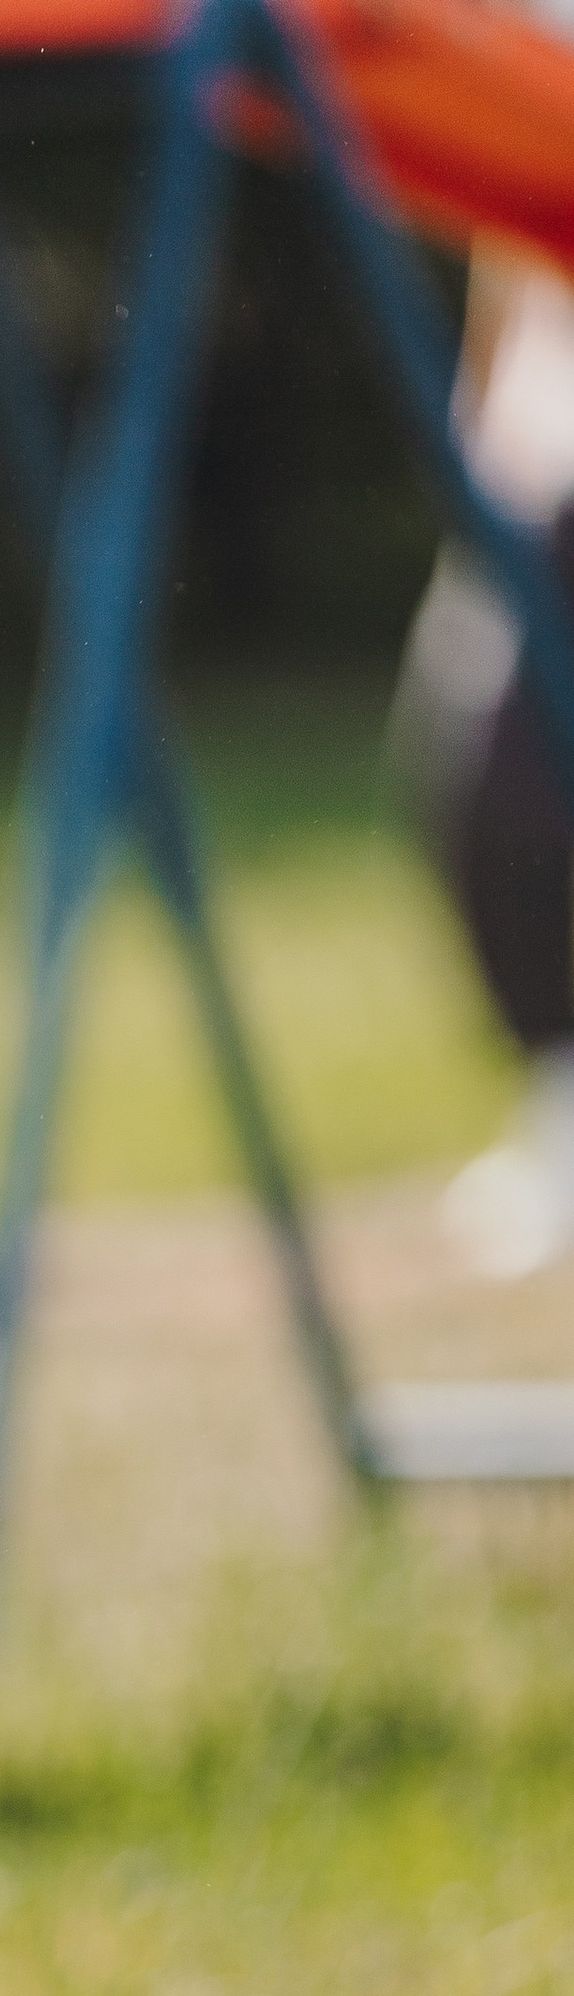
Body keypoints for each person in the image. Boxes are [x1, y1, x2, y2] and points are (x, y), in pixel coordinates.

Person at [395, 182, 574, 1281]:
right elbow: (505, 238)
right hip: (537, 454)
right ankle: (560, 1094)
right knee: (479, 787)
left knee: (515, 786)